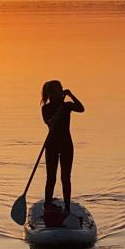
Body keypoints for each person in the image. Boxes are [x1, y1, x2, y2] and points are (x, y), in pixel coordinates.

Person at [41, 80, 84, 215]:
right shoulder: (46, 108)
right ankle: (47, 205)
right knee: (51, 177)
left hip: (66, 145)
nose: (61, 91)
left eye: (61, 89)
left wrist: (71, 95)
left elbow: (81, 108)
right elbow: (50, 122)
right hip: (52, 145)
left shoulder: (67, 106)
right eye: (58, 89)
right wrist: (59, 108)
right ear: (52, 93)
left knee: (65, 178)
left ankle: (67, 208)